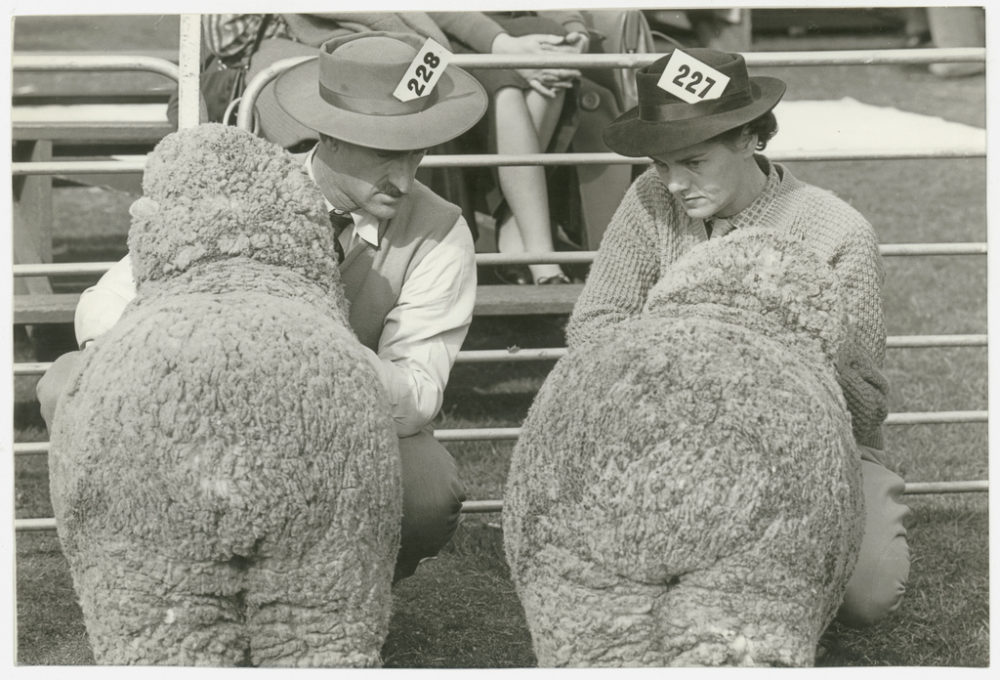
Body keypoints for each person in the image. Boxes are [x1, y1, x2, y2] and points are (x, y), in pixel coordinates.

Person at [36, 32, 489, 584]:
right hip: (206, 404)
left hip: (342, 428)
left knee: (424, 493)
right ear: (330, 138)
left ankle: (337, 603)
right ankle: (159, 585)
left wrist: (312, 355)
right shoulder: (244, 185)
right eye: (385, 153)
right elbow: (109, 297)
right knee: (67, 385)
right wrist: (162, 359)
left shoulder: (440, 232)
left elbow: (417, 393)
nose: (405, 177)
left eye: (417, 151)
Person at [567, 47, 910, 628]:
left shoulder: (836, 233)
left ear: (750, 139)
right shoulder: (649, 202)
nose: (674, 183)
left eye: (694, 161)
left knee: (868, 591)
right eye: (660, 164)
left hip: (815, 451)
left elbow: (864, 400)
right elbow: (594, 325)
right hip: (672, 434)